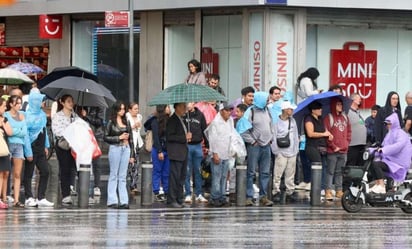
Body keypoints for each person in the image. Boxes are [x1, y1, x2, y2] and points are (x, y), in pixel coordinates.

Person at [240, 91, 274, 207]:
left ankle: (263, 197)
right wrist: (252, 141)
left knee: (265, 172)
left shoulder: (268, 110)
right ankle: (249, 197)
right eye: (266, 99)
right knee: (251, 172)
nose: (268, 100)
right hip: (254, 146)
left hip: (266, 146)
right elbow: (243, 130)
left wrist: (271, 138)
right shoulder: (250, 112)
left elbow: (271, 125)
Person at [23, 92, 54, 207]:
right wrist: (28, 152)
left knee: (45, 171)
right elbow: (26, 134)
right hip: (31, 146)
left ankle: (41, 197)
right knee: (28, 173)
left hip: (41, 148)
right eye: (41, 100)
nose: (43, 102)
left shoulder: (42, 114)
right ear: (35, 102)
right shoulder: (27, 115)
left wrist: (46, 146)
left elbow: (44, 130)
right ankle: (28, 197)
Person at [369, 113, 412, 194]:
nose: (387, 125)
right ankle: (378, 183)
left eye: (389, 123)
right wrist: (372, 150)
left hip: (398, 164)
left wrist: (383, 150)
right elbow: (383, 146)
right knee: (372, 163)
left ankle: (382, 186)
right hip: (391, 161)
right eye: (386, 124)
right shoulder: (389, 134)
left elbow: (397, 146)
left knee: (376, 164)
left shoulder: (401, 134)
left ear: (394, 123)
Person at [104, 101, 134, 209]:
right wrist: (118, 138)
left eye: (123, 109)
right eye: (120, 109)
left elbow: (131, 139)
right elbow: (105, 137)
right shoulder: (111, 122)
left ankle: (124, 200)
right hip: (115, 148)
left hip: (126, 148)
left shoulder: (127, 122)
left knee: (122, 176)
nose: (122, 111)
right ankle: (112, 200)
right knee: (114, 174)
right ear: (116, 110)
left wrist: (132, 154)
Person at [4, 95, 32, 208]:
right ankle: (4, 197)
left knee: (17, 174)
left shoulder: (22, 116)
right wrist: (17, 130)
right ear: (11, 104)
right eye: (17, 103)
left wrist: (15, 130)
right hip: (8, 144)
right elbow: (8, 131)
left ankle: (16, 200)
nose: (20, 105)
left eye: (20, 103)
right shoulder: (6, 115)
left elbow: (24, 132)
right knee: (5, 173)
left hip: (19, 145)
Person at [205, 103, 235, 207]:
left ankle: (222, 196)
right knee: (216, 177)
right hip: (218, 153)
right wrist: (215, 153)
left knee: (223, 177)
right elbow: (212, 139)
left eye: (230, 110)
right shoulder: (216, 123)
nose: (229, 112)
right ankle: (215, 197)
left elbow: (232, 136)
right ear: (221, 111)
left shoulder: (230, 121)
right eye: (226, 110)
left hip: (227, 153)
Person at [323, 98, 351, 201]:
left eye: (341, 104)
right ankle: (328, 190)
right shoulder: (328, 118)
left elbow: (349, 131)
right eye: (338, 104)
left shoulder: (345, 117)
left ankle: (339, 190)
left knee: (340, 172)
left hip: (343, 150)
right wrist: (333, 146)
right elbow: (326, 134)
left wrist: (346, 144)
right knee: (330, 171)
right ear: (333, 105)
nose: (340, 106)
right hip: (332, 151)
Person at [271, 101, 299, 202]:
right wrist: (276, 151)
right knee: (278, 172)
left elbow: (295, 135)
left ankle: (290, 191)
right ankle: (276, 190)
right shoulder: (276, 122)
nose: (291, 111)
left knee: (290, 172)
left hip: (292, 151)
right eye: (290, 109)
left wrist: (296, 149)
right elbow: (273, 136)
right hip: (281, 151)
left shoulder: (293, 121)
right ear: (285, 110)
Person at [52, 94, 77, 205]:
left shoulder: (75, 116)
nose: (71, 103)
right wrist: (69, 133)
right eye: (68, 101)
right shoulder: (58, 116)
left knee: (74, 169)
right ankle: (65, 194)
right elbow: (57, 131)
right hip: (63, 145)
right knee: (65, 169)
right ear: (62, 103)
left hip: (74, 146)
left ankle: (73, 189)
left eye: (72, 101)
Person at [304, 101, 333, 194]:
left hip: (322, 147)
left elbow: (324, 130)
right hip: (312, 146)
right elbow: (310, 133)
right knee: (317, 166)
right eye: (318, 108)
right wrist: (323, 134)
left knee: (324, 167)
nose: (320, 110)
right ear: (313, 110)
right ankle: (316, 189)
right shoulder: (308, 119)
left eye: (321, 108)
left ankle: (323, 188)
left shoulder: (320, 119)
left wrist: (328, 134)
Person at [183, 102, 208, 204]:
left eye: (190, 103)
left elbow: (204, 130)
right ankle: (188, 193)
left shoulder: (200, 115)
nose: (189, 105)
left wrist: (207, 144)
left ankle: (199, 193)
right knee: (187, 171)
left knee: (198, 171)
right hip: (187, 145)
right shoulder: (184, 115)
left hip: (198, 145)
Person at [166, 102, 190, 208]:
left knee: (181, 177)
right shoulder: (172, 120)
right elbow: (170, 136)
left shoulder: (182, 119)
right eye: (183, 107)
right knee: (175, 177)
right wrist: (184, 137)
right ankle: (172, 199)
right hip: (175, 153)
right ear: (177, 107)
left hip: (183, 152)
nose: (185, 109)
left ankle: (180, 198)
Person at [77, 106, 104, 197]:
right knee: (83, 161)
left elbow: (99, 122)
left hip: (96, 136)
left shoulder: (98, 107)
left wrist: (86, 116)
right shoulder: (81, 105)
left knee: (97, 163)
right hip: (83, 135)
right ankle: (82, 184)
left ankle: (97, 186)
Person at [146, 104, 170, 202]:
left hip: (168, 149)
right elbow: (156, 137)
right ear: (162, 109)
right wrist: (159, 151)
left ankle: (166, 190)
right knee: (157, 170)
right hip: (158, 149)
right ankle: (156, 190)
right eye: (167, 107)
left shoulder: (169, 120)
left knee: (166, 172)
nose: (169, 109)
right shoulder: (155, 121)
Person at [126, 102, 143, 193]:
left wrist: (138, 126)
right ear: (130, 110)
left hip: (137, 143)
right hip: (130, 142)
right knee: (130, 165)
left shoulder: (139, 117)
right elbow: (127, 129)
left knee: (136, 165)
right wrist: (133, 126)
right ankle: (130, 185)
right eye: (135, 109)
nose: (137, 110)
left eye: (137, 108)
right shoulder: (127, 117)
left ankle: (134, 185)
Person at [346, 93, 367, 167]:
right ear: (353, 100)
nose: (360, 100)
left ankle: (356, 179)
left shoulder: (358, 112)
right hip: (353, 145)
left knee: (360, 166)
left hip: (361, 144)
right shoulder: (347, 112)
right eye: (358, 98)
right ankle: (349, 179)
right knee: (351, 165)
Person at [0, 97, 12, 209]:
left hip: (4, 148)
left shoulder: (4, 119)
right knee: (0, 174)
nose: (5, 108)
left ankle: (4, 197)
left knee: (5, 173)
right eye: (3, 106)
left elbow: (10, 131)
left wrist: (3, 123)